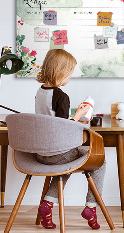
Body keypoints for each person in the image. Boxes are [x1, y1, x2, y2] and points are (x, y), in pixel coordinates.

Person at [35, 49, 105, 230]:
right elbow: (63, 128)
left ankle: (47, 205)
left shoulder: (40, 92)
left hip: (41, 153)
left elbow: (52, 121)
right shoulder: (61, 96)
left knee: (65, 164)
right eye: (70, 73)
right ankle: (91, 207)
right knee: (100, 161)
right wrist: (80, 115)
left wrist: (75, 117)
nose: (69, 77)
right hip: (58, 153)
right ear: (61, 72)